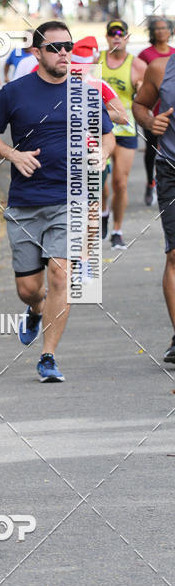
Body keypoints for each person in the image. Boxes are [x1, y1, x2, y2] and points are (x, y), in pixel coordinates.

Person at [0, 21, 114, 383]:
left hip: (68, 199)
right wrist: (12, 154)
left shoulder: (85, 91)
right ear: (36, 53)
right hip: (25, 202)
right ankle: (35, 310)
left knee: (60, 274)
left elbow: (107, 135)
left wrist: (100, 157)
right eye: (55, 47)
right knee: (28, 289)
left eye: (68, 46)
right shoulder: (14, 92)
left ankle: (48, 356)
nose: (64, 53)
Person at [132, 55, 175, 363]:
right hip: (171, 168)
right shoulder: (161, 68)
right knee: (174, 254)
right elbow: (139, 105)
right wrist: (150, 121)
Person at [99, 19, 147, 249]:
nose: (116, 37)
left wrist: (141, 89)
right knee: (100, 182)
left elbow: (147, 100)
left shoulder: (137, 65)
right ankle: (104, 212)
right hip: (99, 128)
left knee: (120, 183)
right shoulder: (95, 61)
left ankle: (117, 229)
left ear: (127, 37)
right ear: (107, 37)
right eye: (112, 33)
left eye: (121, 33)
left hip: (126, 129)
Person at [138, 18, 175, 206]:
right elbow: (141, 99)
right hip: (158, 116)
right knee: (152, 151)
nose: (161, 32)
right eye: (157, 29)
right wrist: (150, 120)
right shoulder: (149, 57)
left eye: (164, 28)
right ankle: (150, 182)